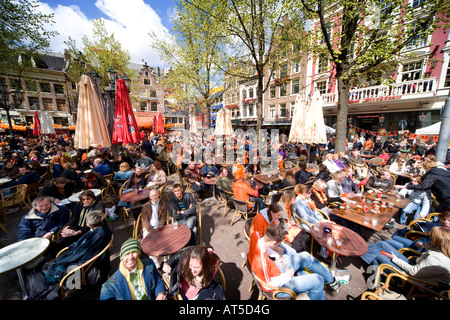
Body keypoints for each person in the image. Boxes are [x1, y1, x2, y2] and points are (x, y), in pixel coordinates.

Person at [248, 225, 350, 300]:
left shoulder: (256, 235)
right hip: (275, 287)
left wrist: (276, 256)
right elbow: (267, 285)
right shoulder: (259, 260)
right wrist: (288, 275)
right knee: (318, 280)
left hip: (273, 268)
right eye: (277, 244)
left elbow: (266, 247)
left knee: (305, 256)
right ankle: (318, 290)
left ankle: (332, 281)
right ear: (273, 242)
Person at [27, 210, 113, 300]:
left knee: (54, 268)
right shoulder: (103, 229)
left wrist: (72, 253)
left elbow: (82, 253)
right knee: (54, 263)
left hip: (85, 264)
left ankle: (67, 291)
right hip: (93, 258)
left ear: (87, 224)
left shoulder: (98, 235)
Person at [362, 227, 450, 285]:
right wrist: (426, 245)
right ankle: (363, 255)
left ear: (437, 243)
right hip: (412, 266)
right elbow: (418, 262)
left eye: (431, 240)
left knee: (377, 255)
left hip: (411, 280)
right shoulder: (440, 251)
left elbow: (413, 272)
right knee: (382, 244)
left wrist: (395, 259)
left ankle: (374, 283)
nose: (429, 240)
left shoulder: (436, 258)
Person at [100, 238, 167, 300]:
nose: (131, 257)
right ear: (121, 257)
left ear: (138, 253)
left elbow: (158, 281)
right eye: (127, 253)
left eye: (134, 252)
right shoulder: (109, 287)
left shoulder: (149, 264)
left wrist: (160, 293)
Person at [51, 190, 105, 256]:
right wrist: (67, 227)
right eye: (83, 200)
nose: (85, 201)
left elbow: (93, 222)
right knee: (57, 242)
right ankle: (56, 257)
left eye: (88, 199)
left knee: (74, 244)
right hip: (77, 227)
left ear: (93, 198)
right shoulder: (81, 204)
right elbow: (74, 216)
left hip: (89, 229)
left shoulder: (98, 205)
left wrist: (79, 232)